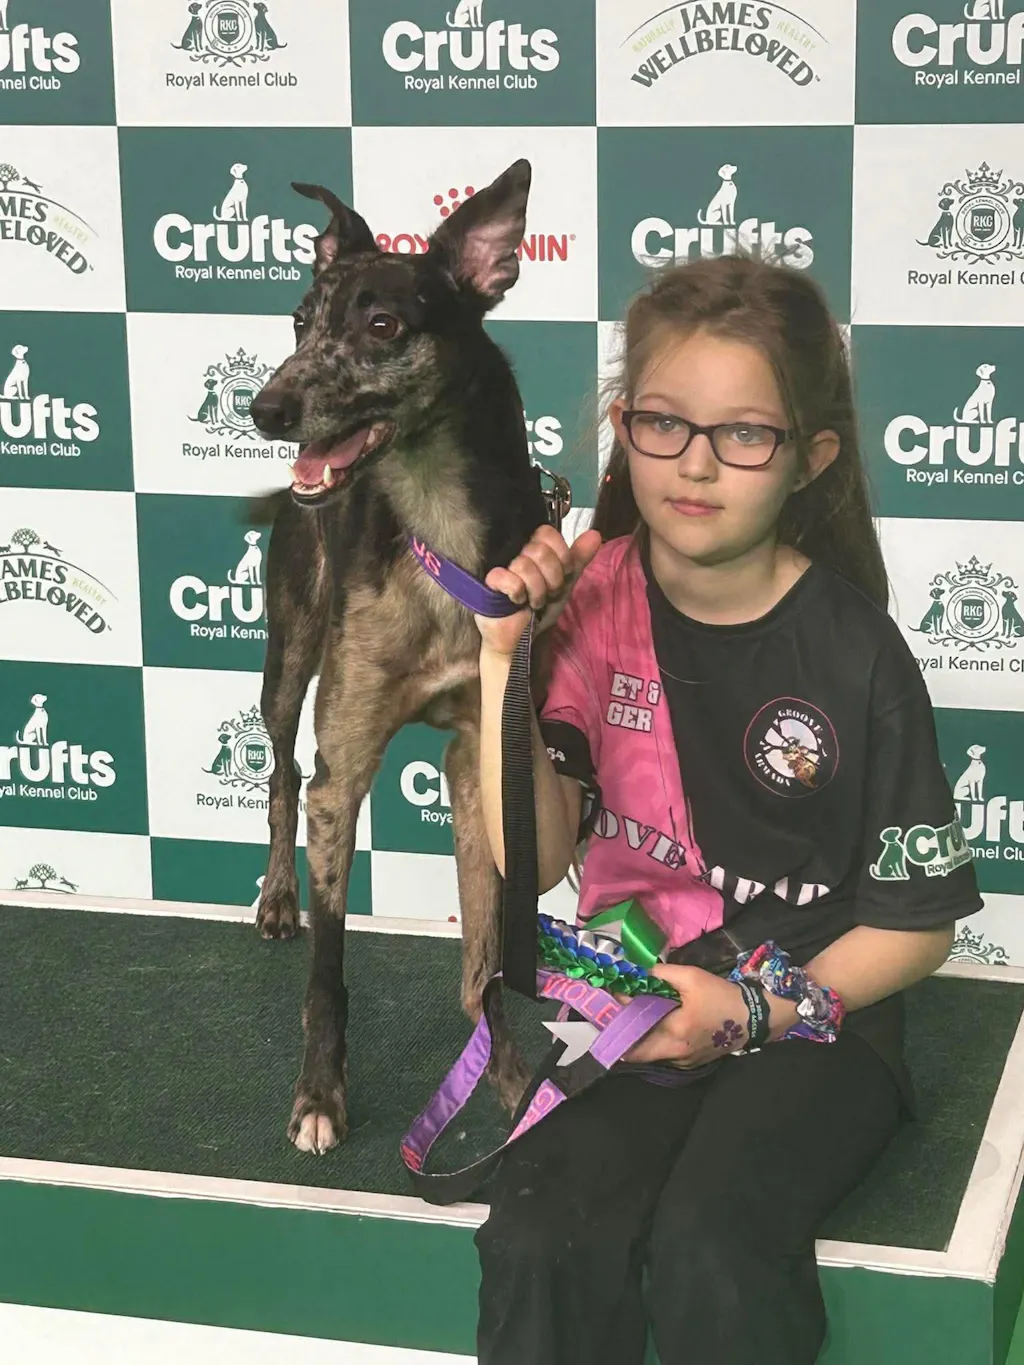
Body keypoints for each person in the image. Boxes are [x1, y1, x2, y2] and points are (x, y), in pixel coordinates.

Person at [471, 254, 983, 1365]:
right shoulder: (587, 607)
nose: (695, 463)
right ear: (624, 429)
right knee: (539, 1237)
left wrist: (751, 1010)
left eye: (744, 434)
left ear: (810, 459)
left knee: (712, 1242)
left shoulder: (856, 651)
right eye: (665, 423)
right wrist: (502, 656)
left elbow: (918, 928)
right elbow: (535, 861)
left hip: (816, 1015)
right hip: (630, 997)